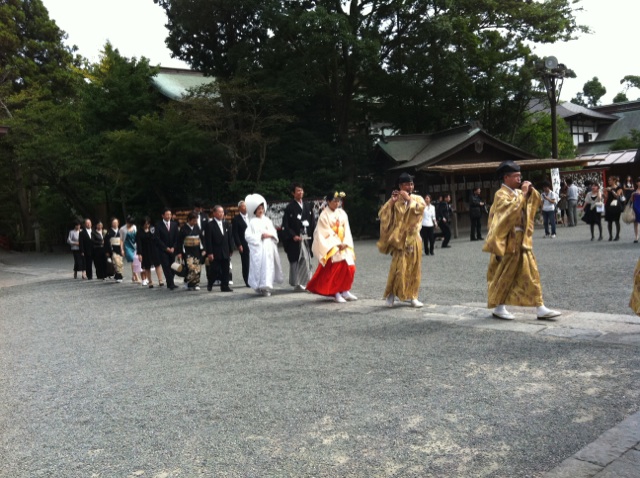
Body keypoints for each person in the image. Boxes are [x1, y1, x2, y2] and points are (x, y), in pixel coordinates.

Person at [482, 160, 561, 321]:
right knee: (505, 273)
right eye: (516, 176)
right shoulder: (500, 194)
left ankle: (540, 307)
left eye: (520, 175)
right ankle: (499, 307)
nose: (519, 178)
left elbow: (535, 201)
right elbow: (509, 212)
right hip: (507, 240)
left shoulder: (518, 193)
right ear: (506, 177)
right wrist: (524, 194)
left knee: (531, 271)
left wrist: (531, 192)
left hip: (522, 240)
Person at [377, 172, 426, 308]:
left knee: (414, 268)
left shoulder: (417, 199)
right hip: (399, 240)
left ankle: (413, 296)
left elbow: (420, 210)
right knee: (398, 269)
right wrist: (391, 202)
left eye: (411, 184)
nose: (410, 187)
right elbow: (382, 215)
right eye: (407, 184)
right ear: (400, 186)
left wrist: (409, 200)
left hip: (413, 238)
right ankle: (391, 294)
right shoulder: (395, 200)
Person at [306, 191, 357, 303]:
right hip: (332, 245)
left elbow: (347, 229)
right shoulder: (324, 215)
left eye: (338, 201)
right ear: (328, 201)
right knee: (337, 269)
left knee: (350, 268)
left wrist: (346, 242)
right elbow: (324, 232)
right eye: (334, 201)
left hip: (343, 243)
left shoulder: (342, 213)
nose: (337, 203)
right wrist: (337, 243)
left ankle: (345, 290)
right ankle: (336, 292)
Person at [244, 194, 283, 297]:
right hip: (259, 248)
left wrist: (270, 235)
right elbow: (248, 236)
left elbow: (274, 231)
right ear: (255, 211)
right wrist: (260, 236)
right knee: (259, 267)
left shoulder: (267, 220)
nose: (260, 210)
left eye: (262, 208)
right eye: (258, 209)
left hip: (269, 246)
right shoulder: (252, 222)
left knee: (268, 267)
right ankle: (259, 286)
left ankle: (266, 286)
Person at [281, 183, 316, 291]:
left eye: (301, 190)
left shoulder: (307, 206)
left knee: (306, 259)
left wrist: (313, 233)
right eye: (298, 190)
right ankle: (297, 283)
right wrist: (293, 235)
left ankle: (307, 282)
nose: (300, 192)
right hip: (295, 239)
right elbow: (285, 225)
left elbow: (312, 222)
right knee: (296, 259)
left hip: (306, 237)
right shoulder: (289, 208)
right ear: (293, 193)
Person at [205, 205, 234, 292]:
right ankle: (210, 282)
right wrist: (210, 252)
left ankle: (225, 286)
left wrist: (231, 248)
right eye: (219, 212)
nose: (221, 214)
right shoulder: (210, 225)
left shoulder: (226, 224)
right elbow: (208, 240)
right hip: (215, 250)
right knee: (215, 269)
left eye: (222, 212)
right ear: (214, 213)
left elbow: (230, 237)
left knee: (226, 269)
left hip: (225, 249)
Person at [177, 211, 205, 291]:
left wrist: (203, 249)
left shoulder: (197, 227)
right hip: (187, 250)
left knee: (197, 266)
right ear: (189, 220)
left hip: (197, 249)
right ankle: (190, 283)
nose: (195, 222)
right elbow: (179, 241)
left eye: (196, 220)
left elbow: (201, 238)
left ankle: (196, 283)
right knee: (190, 266)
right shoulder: (183, 228)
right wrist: (179, 252)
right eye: (193, 220)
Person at [154, 208, 180, 290]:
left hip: (172, 249)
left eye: (170, 214)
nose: (169, 216)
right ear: (163, 215)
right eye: (167, 214)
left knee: (173, 266)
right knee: (166, 266)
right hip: (163, 250)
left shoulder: (174, 224)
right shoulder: (158, 225)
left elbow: (177, 237)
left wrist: (174, 247)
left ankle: (171, 282)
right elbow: (157, 238)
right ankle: (170, 283)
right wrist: (165, 248)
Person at [137, 216, 164, 288]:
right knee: (147, 266)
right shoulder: (139, 232)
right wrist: (139, 254)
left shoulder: (153, 229)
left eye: (148, 223)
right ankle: (150, 281)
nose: (147, 225)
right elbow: (139, 243)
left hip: (154, 248)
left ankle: (160, 280)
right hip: (145, 250)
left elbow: (156, 238)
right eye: (145, 224)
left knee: (157, 264)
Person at [232, 200, 251, 287]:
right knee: (246, 262)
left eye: (246, 206)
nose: (245, 208)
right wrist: (239, 244)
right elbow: (235, 233)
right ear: (239, 208)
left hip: (253, 242)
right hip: (243, 243)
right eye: (243, 206)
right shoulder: (236, 219)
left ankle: (254, 279)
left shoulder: (251, 217)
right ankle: (247, 280)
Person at [604, 176, 624, 241]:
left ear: (614, 181)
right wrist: (603, 193)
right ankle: (610, 236)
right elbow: (606, 197)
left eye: (610, 180)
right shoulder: (608, 188)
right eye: (608, 180)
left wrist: (611, 190)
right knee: (609, 221)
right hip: (609, 205)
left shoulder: (619, 188)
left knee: (616, 221)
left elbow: (617, 196)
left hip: (616, 205)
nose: (609, 181)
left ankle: (617, 235)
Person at [122, 215, 140, 283]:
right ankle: (137, 276)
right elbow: (121, 240)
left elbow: (136, 236)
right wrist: (122, 249)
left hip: (134, 245)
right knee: (133, 260)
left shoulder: (134, 227)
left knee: (136, 261)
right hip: (127, 246)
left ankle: (133, 276)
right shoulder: (123, 229)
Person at [106, 217, 124, 283]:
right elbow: (106, 243)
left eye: (116, 223)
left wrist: (123, 249)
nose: (115, 224)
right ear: (111, 224)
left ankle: (118, 275)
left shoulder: (121, 231)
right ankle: (119, 276)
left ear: (118, 223)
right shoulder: (109, 232)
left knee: (120, 262)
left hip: (120, 248)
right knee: (116, 262)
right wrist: (107, 251)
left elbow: (123, 240)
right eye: (114, 223)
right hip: (113, 249)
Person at [632, 177, 640, 243]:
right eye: (639, 181)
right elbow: (631, 200)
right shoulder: (635, 191)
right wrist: (632, 195)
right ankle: (636, 236)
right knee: (636, 222)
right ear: (637, 183)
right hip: (636, 207)